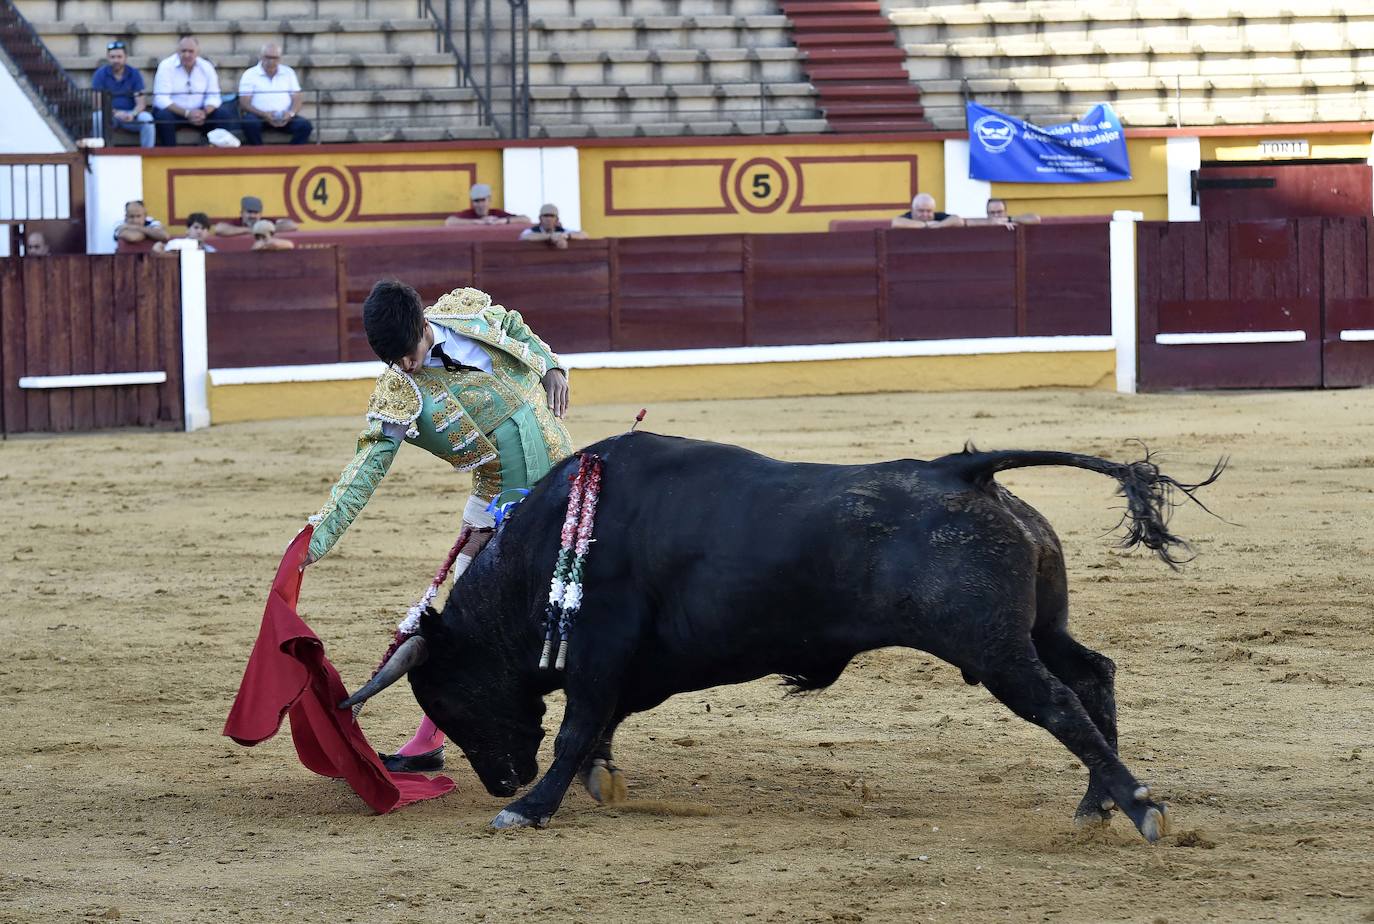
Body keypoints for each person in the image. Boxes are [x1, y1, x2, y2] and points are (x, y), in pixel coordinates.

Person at [304, 281, 573, 772]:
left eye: (407, 354)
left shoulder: (465, 313)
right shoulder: (399, 392)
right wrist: (318, 536)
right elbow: (368, 465)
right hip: (501, 509)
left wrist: (551, 363)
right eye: (393, 361)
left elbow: (513, 323)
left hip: (567, 486)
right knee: (462, 628)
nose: (405, 367)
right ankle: (429, 739)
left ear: (424, 326)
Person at [151, 35, 238, 146]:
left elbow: (214, 97)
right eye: (183, 51)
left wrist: (204, 112)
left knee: (223, 115)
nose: (187, 55)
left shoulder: (206, 67)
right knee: (163, 116)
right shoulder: (166, 66)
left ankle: (212, 150)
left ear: (197, 52)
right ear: (177, 51)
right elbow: (161, 99)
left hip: (201, 113)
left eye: (191, 51)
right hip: (175, 112)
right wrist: (187, 113)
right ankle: (170, 154)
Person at [237, 43, 312, 145]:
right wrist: (264, 114)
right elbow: (244, 102)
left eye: (274, 58)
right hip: (259, 116)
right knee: (249, 123)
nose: (271, 61)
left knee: (305, 126)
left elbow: (297, 97)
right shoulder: (250, 74)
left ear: (280, 58)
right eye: (267, 57)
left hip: (284, 116)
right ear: (261, 57)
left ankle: (290, 156)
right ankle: (259, 154)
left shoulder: (288, 73)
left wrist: (291, 113)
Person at [91, 40, 155, 148]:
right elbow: (97, 103)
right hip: (110, 115)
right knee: (98, 116)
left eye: (119, 57)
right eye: (112, 57)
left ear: (125, 57)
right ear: (108, 57)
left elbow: (141, 103)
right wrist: (115, 113)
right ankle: (101, 153)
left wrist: (132, 114)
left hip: (131, 116)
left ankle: (148, 154)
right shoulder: (100, 74)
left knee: (147, 118)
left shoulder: (134, 74)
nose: (116, 60)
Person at [443, 183, 529, 226]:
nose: (480, 204)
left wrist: (504, 221)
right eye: (477, 201)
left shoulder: (497, 213)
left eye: (483, 200)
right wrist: (476, 222)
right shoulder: (469, 214)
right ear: (472, 202)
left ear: (489, 200)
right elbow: (449, 222)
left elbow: (526, 219)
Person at [212, 195, 299, 236]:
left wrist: (266, 229)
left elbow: (292, 225)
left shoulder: (266, 222)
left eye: (256, 213)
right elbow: (219, 229)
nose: (253, 216)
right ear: (242, 213)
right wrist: (251, 230)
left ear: (261, 214)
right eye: (249, 212)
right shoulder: (236, 222)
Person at [517, 203, 588, 250]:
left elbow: (584, 234)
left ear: (557, 219)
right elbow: (524, 236)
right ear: (540, 218)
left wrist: (565, 236)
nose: (548, 219)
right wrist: (550, 236)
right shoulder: (533, 230)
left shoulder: (562, 231)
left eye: (552, 216)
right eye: (546, 216)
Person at [152, 211, 217, 254]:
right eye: (196, 227)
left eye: (203, 228)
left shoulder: (211, 251)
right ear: (187, 230)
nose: (199, 231)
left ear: (208, 233)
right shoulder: (176, 244)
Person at [892, 193, 964, 229]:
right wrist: (926, 225)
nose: (925, 214)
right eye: (921, 211)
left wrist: (937, 226)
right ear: (913, 210)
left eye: (929, 211)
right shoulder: (908, 216)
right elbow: (896, 222)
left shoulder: (938, 216)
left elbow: (958, 220)